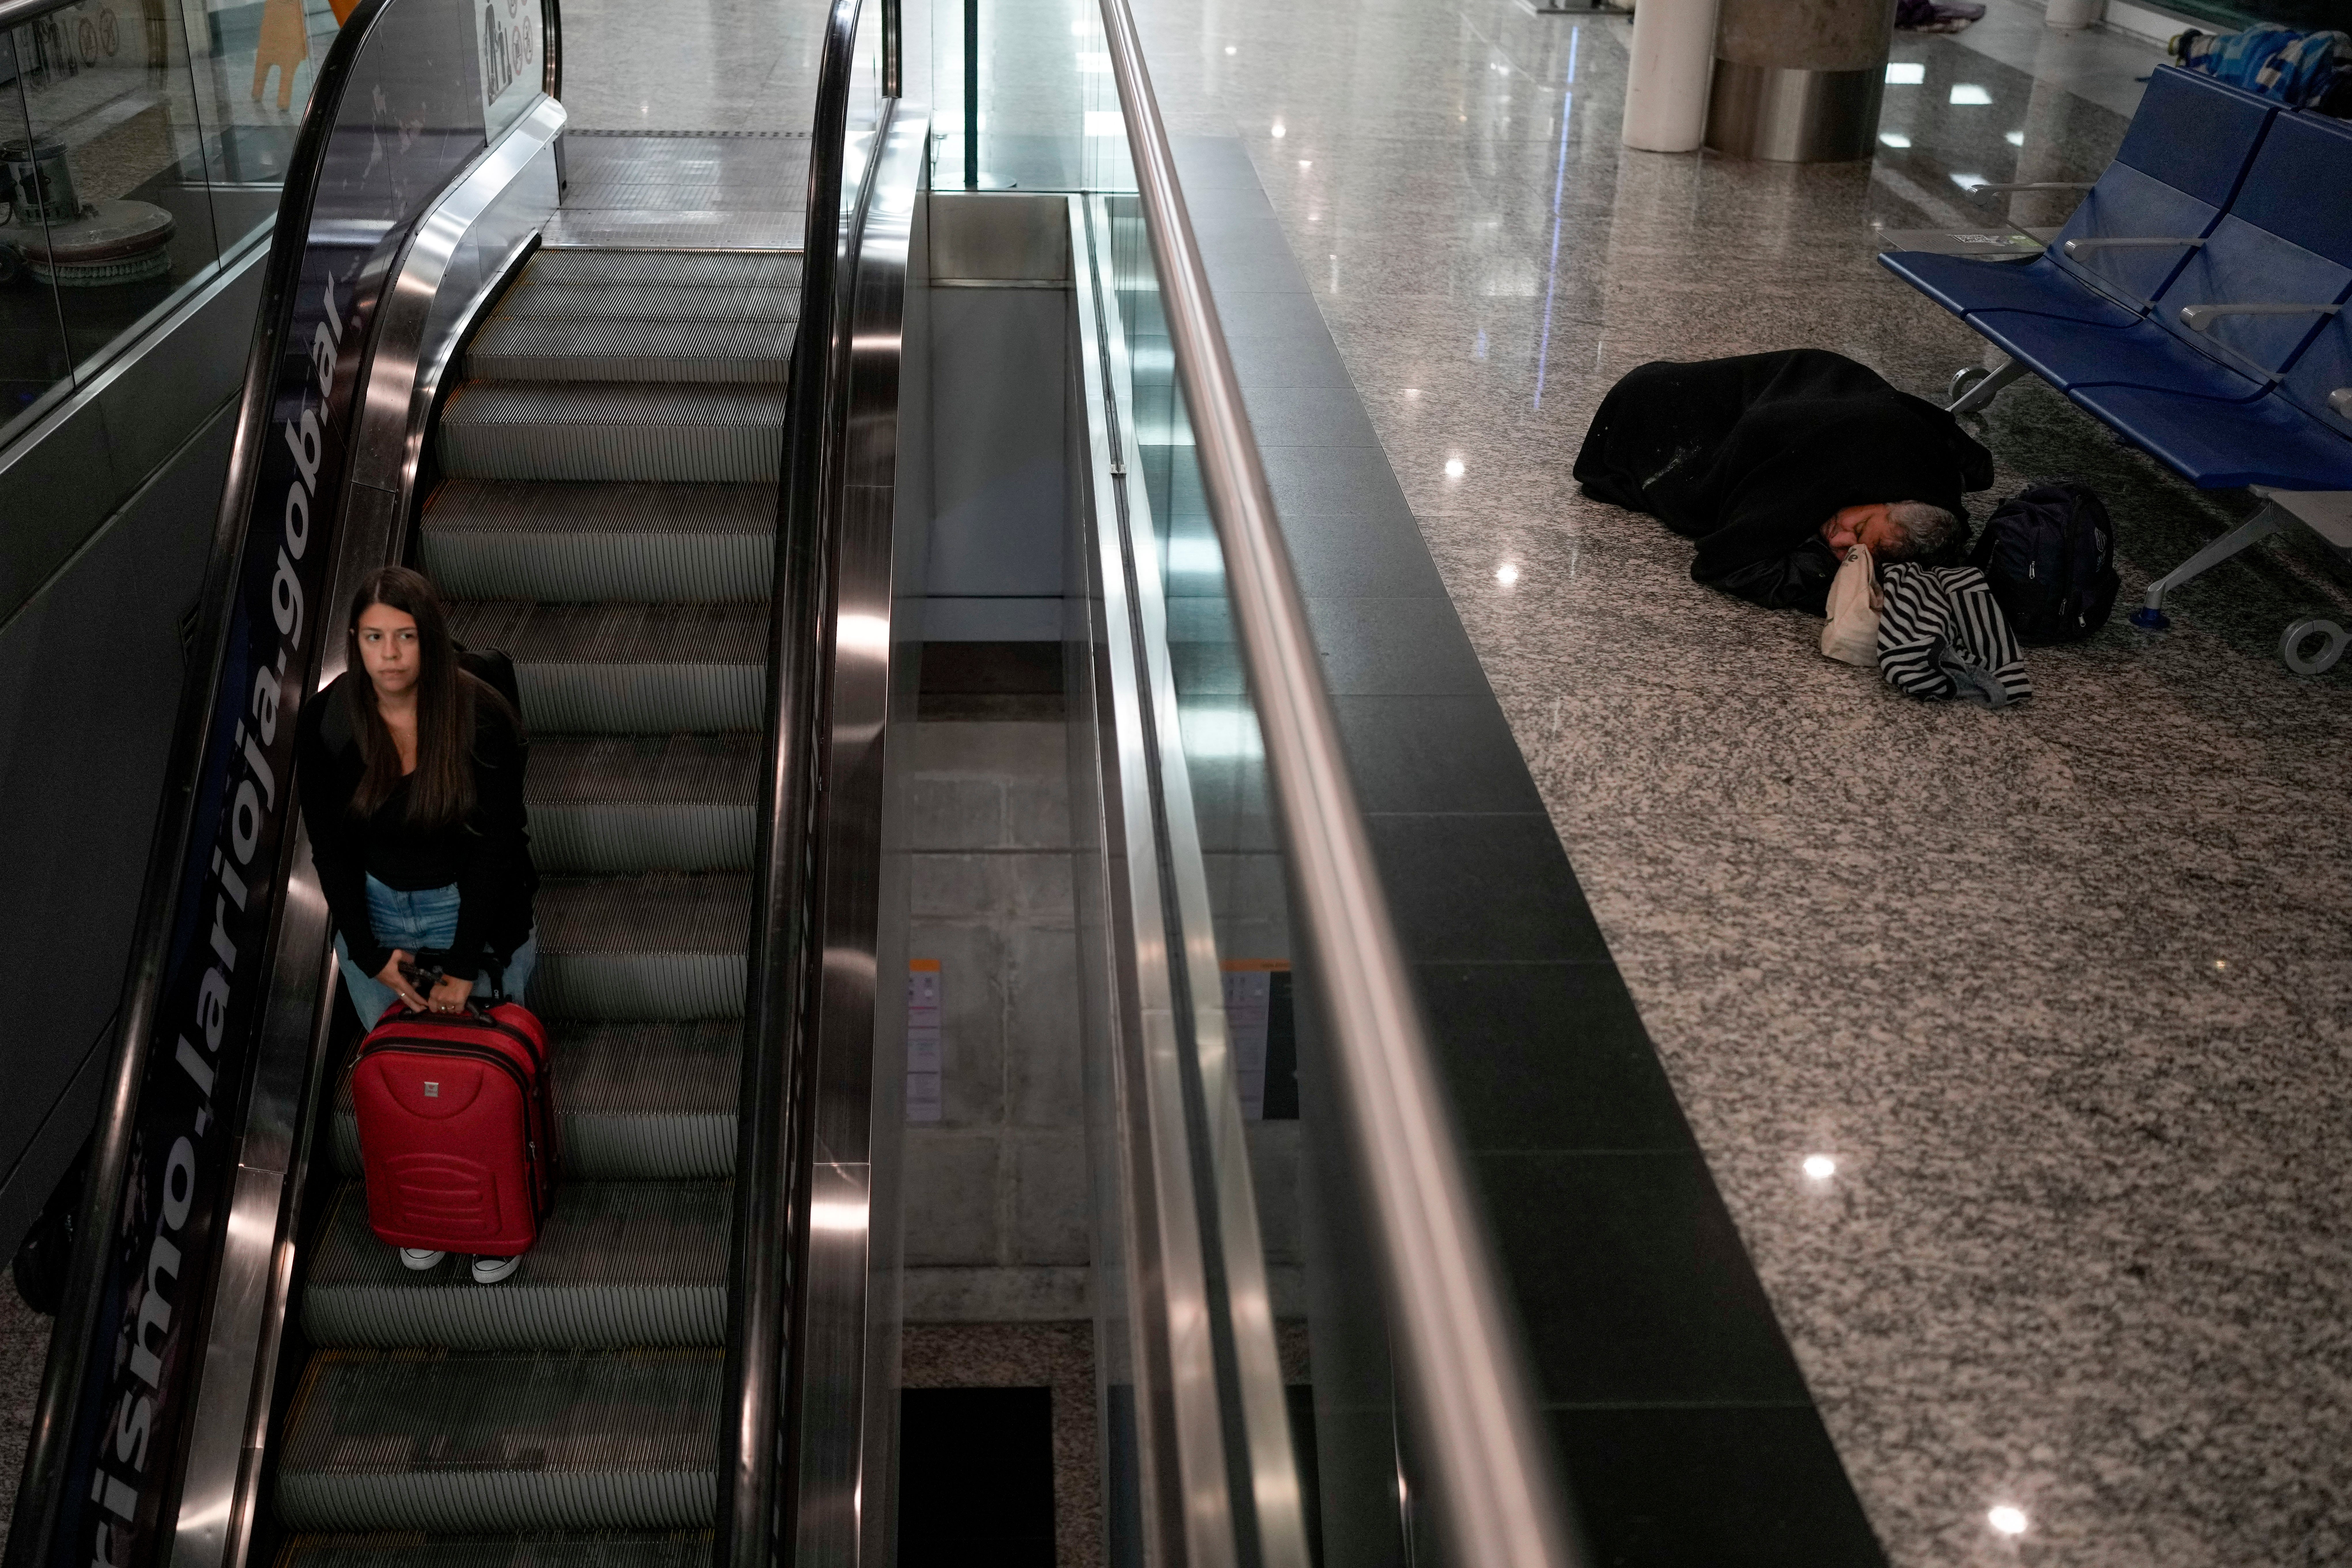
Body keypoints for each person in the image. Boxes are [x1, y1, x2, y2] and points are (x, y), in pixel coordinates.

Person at [296, 566, 539, 1283]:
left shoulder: (482, 716)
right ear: (356, 643)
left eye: (405, 637)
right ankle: (432, 1211)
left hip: (472, 910)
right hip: (375, 911)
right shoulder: (331, 721)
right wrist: (371, 955)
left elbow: (498, 849)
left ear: (431, 643)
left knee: (487, 1075)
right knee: (412, 1076)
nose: (391, 655)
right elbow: (329, 846)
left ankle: (500, 1209)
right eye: (374, 638)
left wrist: (465, 965)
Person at [1573, 348, 1995, 614]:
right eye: (1860, 527)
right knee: (1652, 402)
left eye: (1853, 551)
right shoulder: (1827, 470)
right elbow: (1723, 563)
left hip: (1805, 406)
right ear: (1887, 498)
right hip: (1713, 404)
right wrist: (1828, 580)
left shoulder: (1932, 505)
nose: (1839, 539)